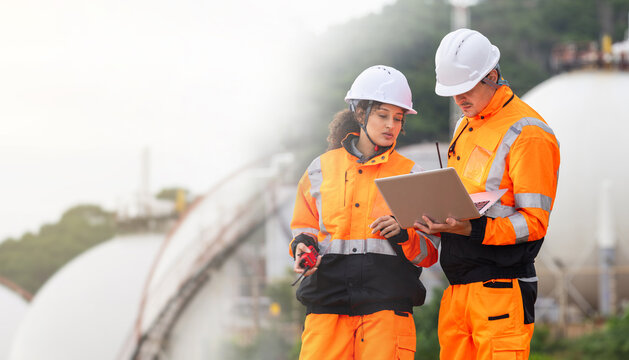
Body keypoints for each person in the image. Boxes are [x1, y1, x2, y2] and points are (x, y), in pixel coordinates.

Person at [415, 28, 561, 359]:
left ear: (492, 76)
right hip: (457, 293)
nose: (459, 100)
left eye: (465, 89)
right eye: (452, 93)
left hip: (501, 292)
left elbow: (534, 223)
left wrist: (470, 228)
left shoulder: (528, 133)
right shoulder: (464, 126)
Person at [289, 65, 439, 360]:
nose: (391, 126)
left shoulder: (411, 175)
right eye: (383, 115)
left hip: (386, 313)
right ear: (360, 113)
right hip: (327, 310)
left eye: (398, 118)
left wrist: (403, 233)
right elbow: (304, 228)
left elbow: (429, 252)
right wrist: (303, 247)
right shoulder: (321, 169)